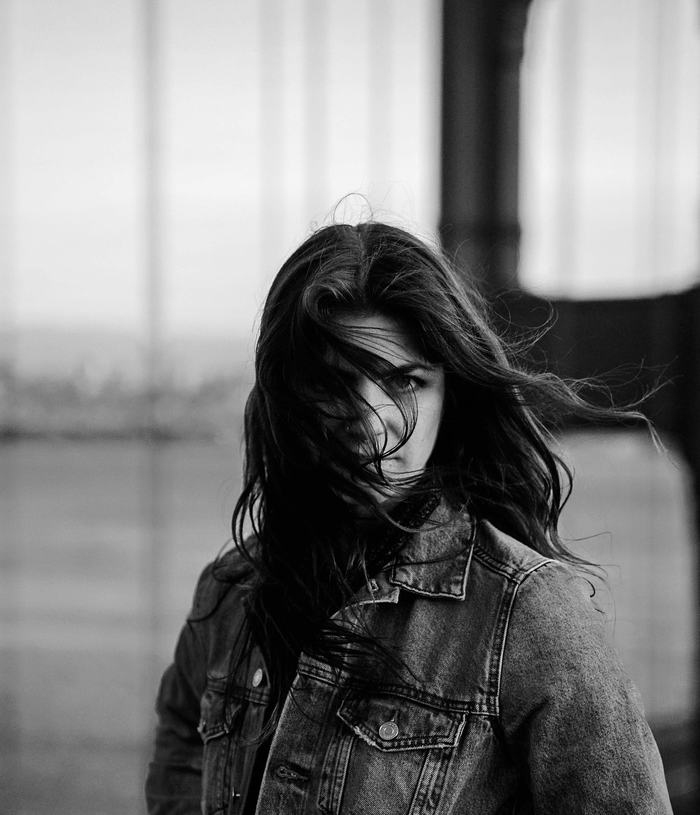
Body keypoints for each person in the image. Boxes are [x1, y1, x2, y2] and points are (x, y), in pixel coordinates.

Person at [145, 222, 672, 814]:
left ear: (453, 398)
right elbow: (181, 756)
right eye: (332, 382)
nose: (370, 425)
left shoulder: (534, 618)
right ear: (286, 396)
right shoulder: (229, 595)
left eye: (406, 382)